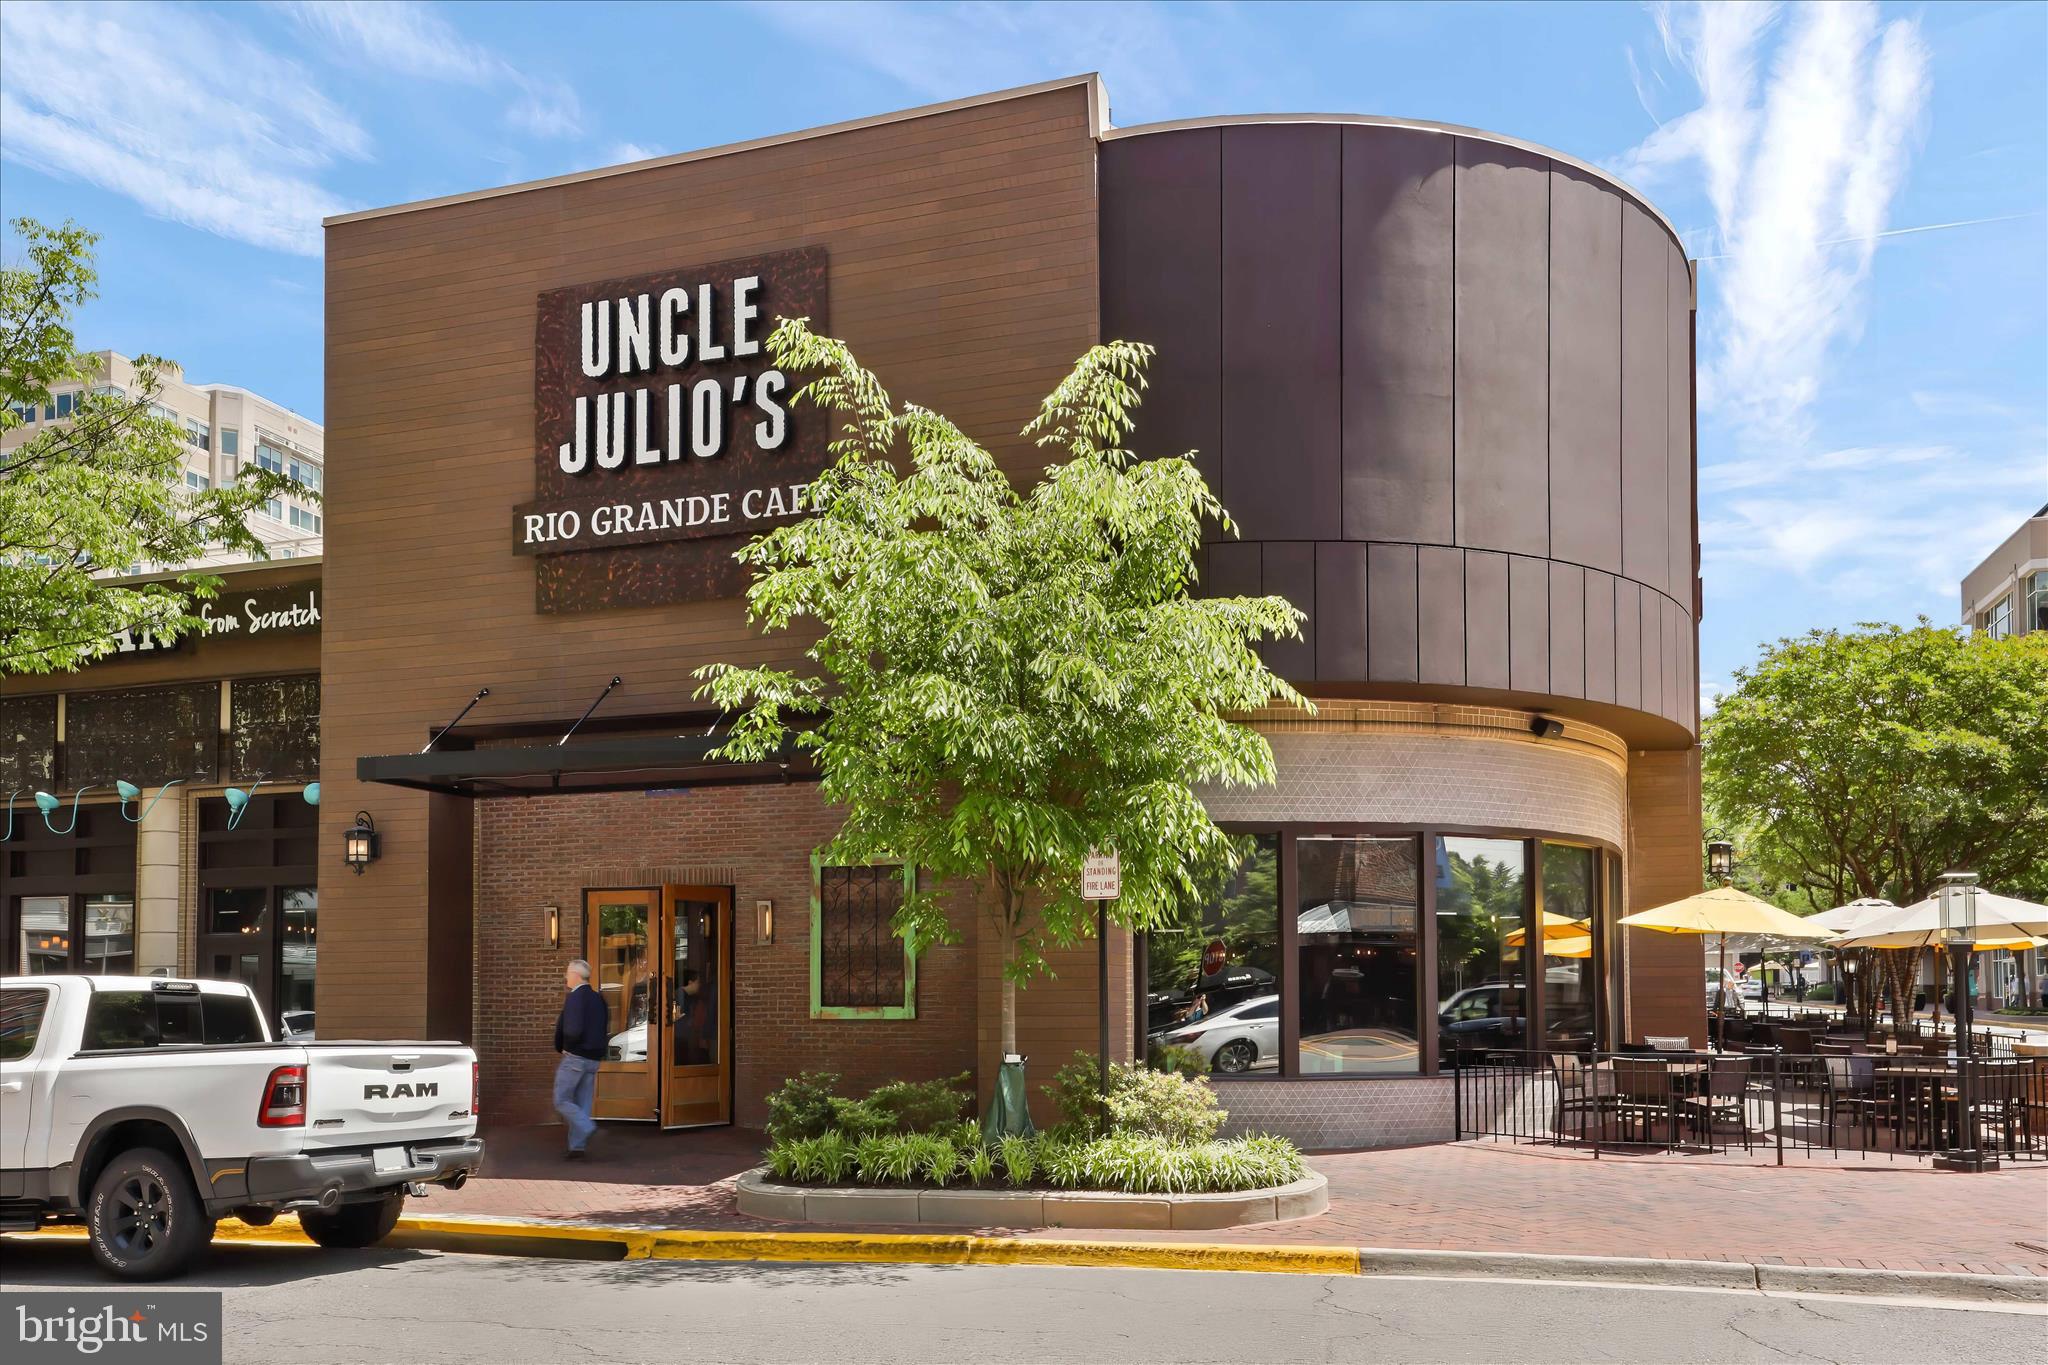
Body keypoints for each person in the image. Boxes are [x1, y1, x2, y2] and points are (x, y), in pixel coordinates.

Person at [553, 959, 607, 1159]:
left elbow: (572, 1029)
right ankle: (577, 1147)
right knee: (582, 1102)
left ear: (576, 975)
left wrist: (566, 1046)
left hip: (575, 1057)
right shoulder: (598, 998)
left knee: (562, 1099)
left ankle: (587, 1126)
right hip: (593, 1059)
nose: (566, 976)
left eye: (568, 973)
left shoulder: (575, 997)